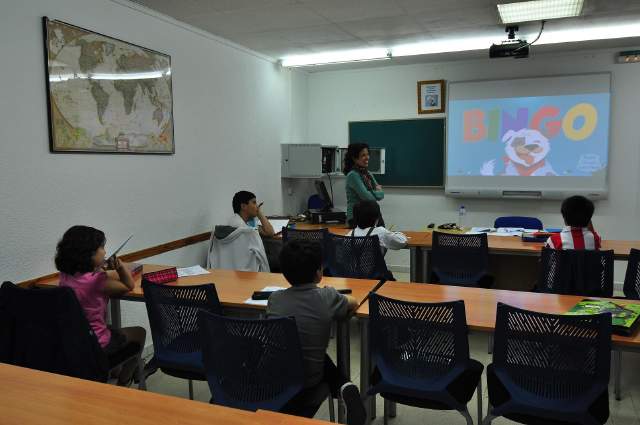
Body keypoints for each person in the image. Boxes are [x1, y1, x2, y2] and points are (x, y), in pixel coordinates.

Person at [266, 240, 365, 422]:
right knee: (315, 353)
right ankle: (345, 385)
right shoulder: (327, 296)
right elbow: (353, 302)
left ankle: (344, 385)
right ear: (319, 272)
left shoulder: (274, 299)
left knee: (297, 345)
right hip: (310, 378)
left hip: (278, 378)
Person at [55, 225, 146, 386]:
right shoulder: (97, 281)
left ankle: (118, 370)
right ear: (89, 253)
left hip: (73, 343)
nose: (105, 252)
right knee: (139, 332)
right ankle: (124, 382)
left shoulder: (64, 277)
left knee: (112, 328)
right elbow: (128, 285)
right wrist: (120, 267)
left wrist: (100, 269)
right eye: (102, 247)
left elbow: (89, 280)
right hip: (98, 345)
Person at [343, 143, 384, 227]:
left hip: (370, 214)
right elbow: (367, 198)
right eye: (363, 155)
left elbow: (381, 195)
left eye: (368, 154)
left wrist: (371, 192)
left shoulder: (368, 173)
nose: (367, 157)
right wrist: (376, 191)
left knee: (382, 229)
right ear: (354, 158)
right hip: (357, 217)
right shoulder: (353, 175)